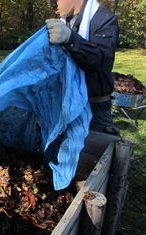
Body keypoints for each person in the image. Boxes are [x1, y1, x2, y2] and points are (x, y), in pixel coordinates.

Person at [46, 0, 120, 135]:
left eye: (54, 0)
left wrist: (70, 39)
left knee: (92, 154)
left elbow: (101, 60)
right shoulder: (64, 22)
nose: (52, 6)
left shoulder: (104, 20)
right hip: (64, 107)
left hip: (94, 112)